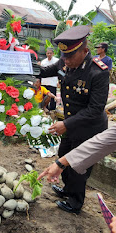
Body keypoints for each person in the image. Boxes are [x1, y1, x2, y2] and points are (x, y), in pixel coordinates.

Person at [39, 25, 109, 214]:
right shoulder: (64, 63)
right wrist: (20, 64)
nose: (65, 60)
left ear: (85, 51)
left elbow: (95, 109)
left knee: (79, 166)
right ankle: (68, 190)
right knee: (64, 157)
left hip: (89, 128)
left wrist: (66, 124)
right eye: (64, 55)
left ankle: (76, 202)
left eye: (70, 56)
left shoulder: (98, 72)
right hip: (70, 125)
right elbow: (44, 71)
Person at [38, 125, 116, 232]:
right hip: (76, 131)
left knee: (78, 176)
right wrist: (62, 163)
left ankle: (75, 202)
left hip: (87, 128)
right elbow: (106, 139)